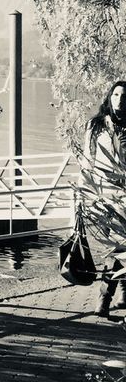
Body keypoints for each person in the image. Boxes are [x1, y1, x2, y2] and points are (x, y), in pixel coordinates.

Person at [82, 80, 126, 316]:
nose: (119, 100)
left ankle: (107, 299)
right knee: (118, 246)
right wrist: (83, 195)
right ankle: (112, 295)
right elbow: (86, 162)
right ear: (109, 97)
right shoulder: (95, 126)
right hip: (104, 194)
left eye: (124, 96)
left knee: (120, 246)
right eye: (116, 95)